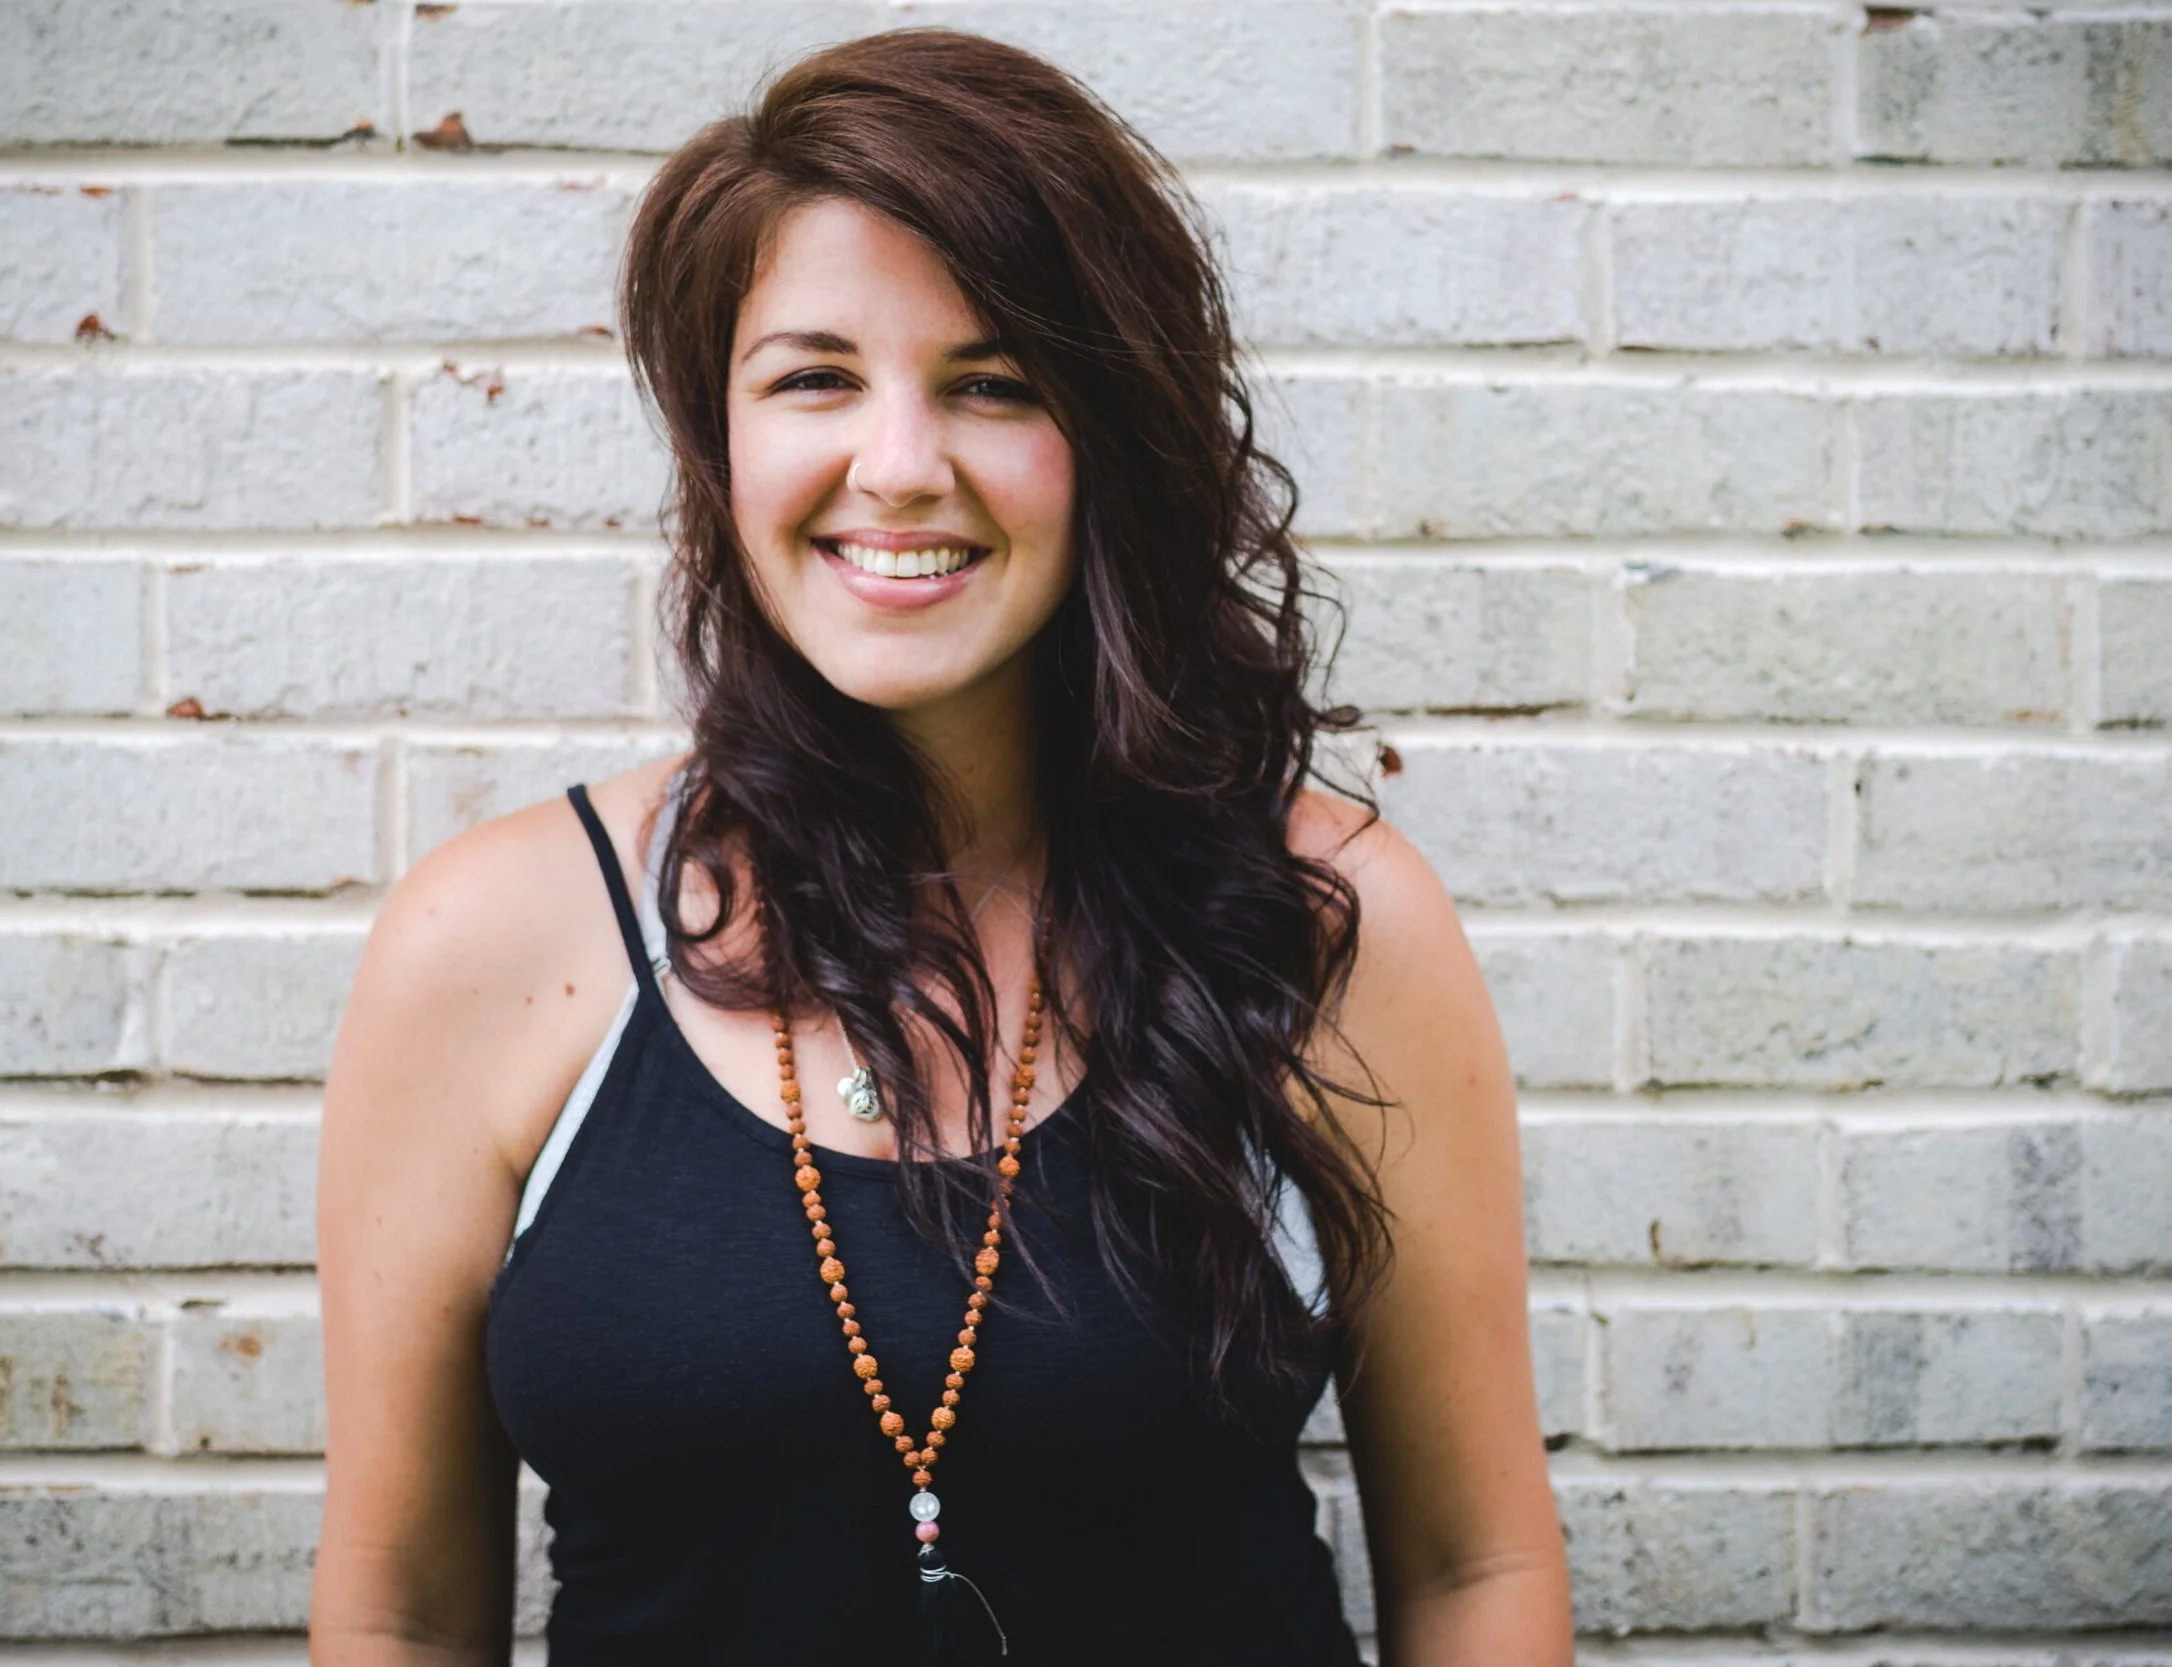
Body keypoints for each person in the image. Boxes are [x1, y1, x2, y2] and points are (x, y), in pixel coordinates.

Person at [309, 27, 1568, 1666]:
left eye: (992, 382)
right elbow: (401, 1609)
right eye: (815, 377)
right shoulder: (489, 943)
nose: (897, 467)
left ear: (1109, 433)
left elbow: (1478, 1570)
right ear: (722, 438)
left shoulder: (1330, 926)